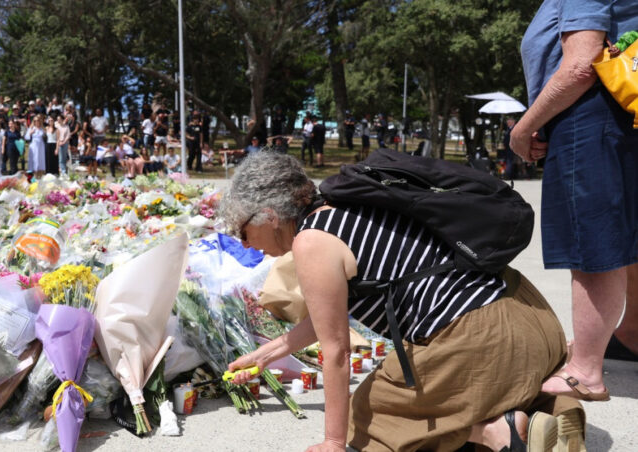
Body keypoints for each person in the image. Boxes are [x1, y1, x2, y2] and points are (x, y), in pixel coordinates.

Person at [221, 151, 585, 452]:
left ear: (269, 215)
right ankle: (553, 410)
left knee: (369, 414)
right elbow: (326, 318)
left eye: (243, 230)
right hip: (530, 319)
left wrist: (333, 441)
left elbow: (336, 351)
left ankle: (496, 431)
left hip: (480, 338)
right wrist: (262, 356)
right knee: (468, 387)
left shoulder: (311, 241)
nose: (245, 243)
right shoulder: (346, 205)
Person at [511, 1, 638, 401]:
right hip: (620, 114)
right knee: (625, 234)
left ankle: (584, 370)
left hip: (590, 115)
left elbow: (581, 66)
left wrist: (525, 127)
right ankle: (632, 332)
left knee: (591, 239)